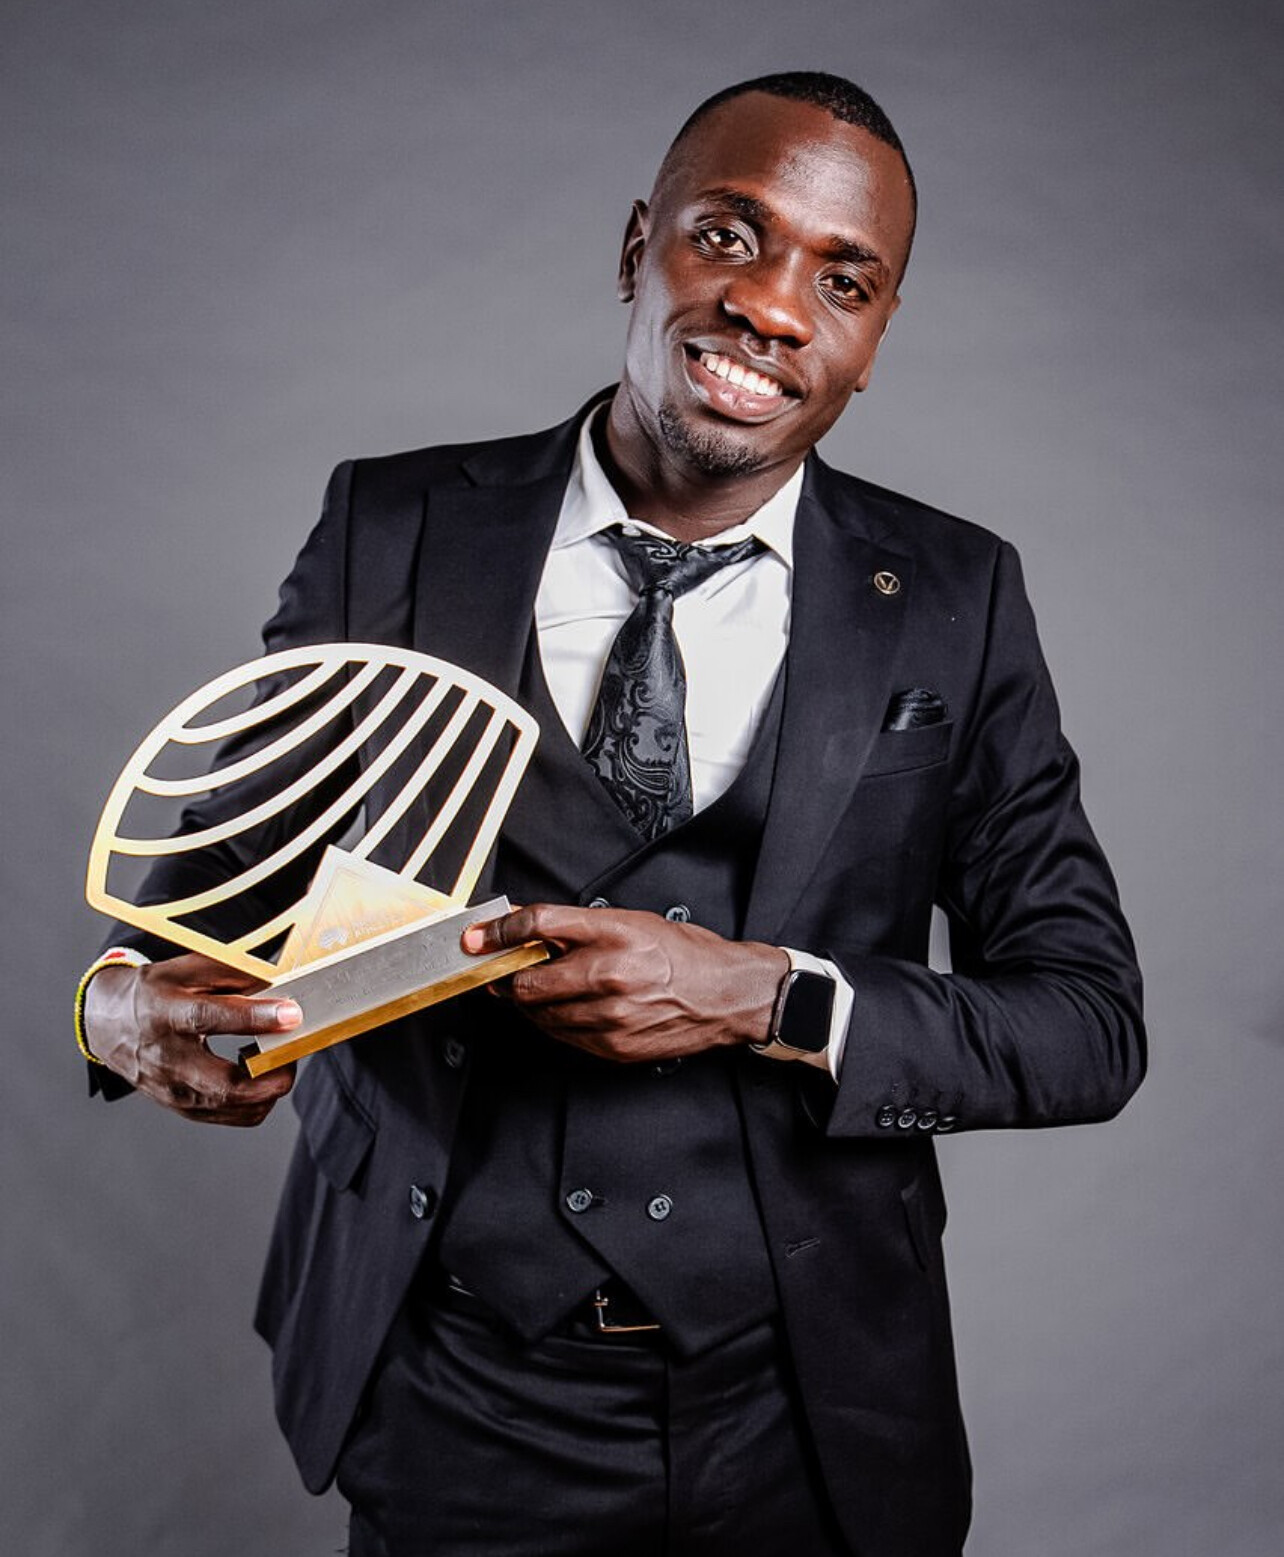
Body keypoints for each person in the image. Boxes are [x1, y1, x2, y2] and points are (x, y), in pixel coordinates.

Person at [78, 71, 1145, 1557]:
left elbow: (1087, 1020)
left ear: (875, 338)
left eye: (842, 282)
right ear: (639, 244)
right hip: (449, 1385)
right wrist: (119, 1010)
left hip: (804, 1401)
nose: (772, 307)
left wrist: (767, 993)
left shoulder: (955, 597)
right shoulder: (395, 530)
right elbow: (202, 897)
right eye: (729, 236)